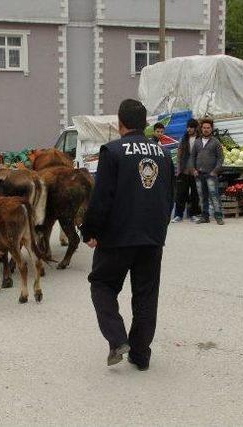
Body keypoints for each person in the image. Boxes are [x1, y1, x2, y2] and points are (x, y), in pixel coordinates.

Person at [80, 99, 175, 371]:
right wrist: (160, 229)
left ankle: (118, 339)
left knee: (102, 284)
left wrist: (90, 231)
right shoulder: (163, 153)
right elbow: (169, 196)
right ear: (145, 124)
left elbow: (101, 198)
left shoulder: (112, 151)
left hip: (117, 237)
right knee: (146, 295)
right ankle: (141, 355)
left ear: (119, 123)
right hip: (152, 237)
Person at [190, 118, 224, 225]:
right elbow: (192, 157)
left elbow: (220, 158)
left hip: (211, 174)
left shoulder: (216, 142)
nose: (206, 129)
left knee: (214, 195)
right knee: (202, 196)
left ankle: (218, 217)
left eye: (208, 128)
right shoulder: (197, 142)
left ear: (211, 129)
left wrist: (215, 171)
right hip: (199, 174)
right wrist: (193, 169)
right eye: (204, 127)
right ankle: (205, 217)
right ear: (201, 128)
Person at [172, 119, 201, 223]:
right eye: (188, 127)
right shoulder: (183, 139)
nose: (189, 129)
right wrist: (178, 169)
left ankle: (194, 214)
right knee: (180, 194)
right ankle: (178, 215)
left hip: (196, 171)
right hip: (184, 171)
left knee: (195, 194)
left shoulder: (200, 139)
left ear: (196, 128)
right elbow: (179, 155)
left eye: (191, 127)